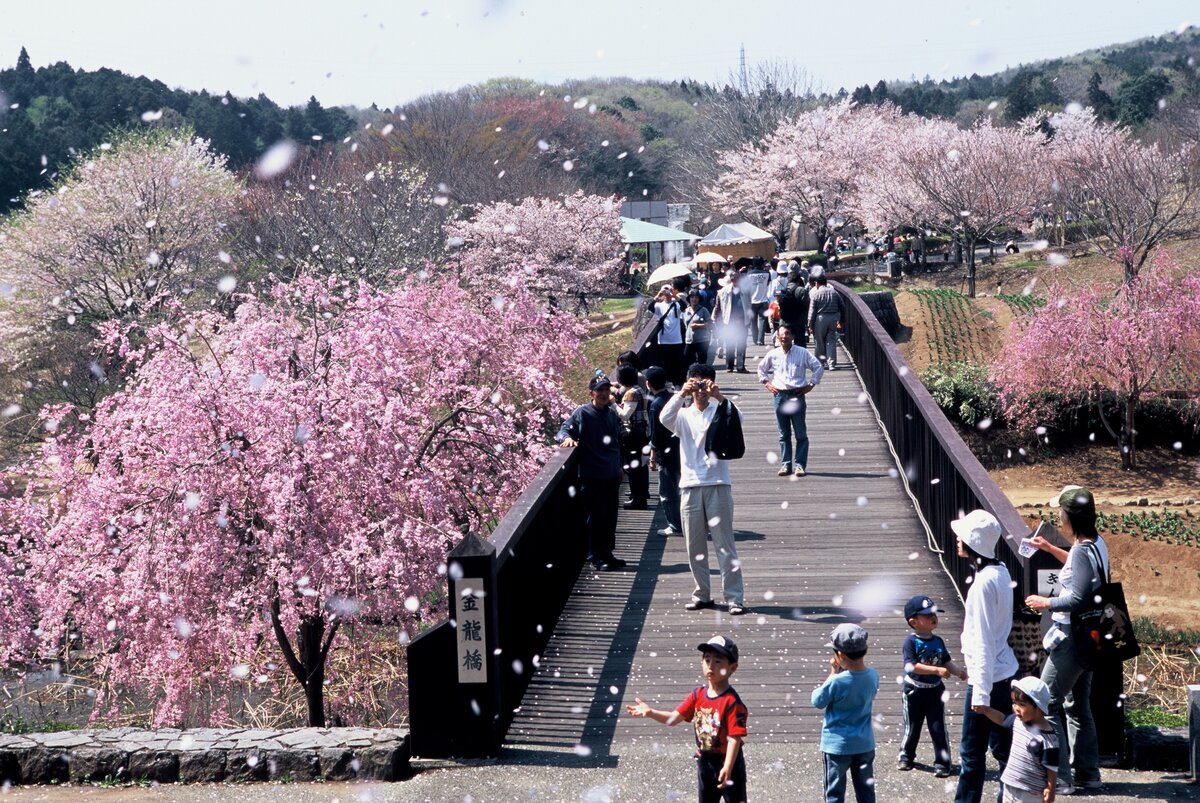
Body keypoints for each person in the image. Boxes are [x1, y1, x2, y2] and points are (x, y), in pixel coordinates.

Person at [1024, 485, 1108, 794]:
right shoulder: (1096, 544)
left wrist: (1045, 603)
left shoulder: (1083, 549)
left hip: (1071, 639)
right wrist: (1049, 549)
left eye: (1061, 512)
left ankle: (1060, 779)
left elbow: (1078, 596)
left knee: (1045, 704)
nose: (1059, 517)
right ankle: (1087, 773)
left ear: (1069, 516)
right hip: (1091, 637)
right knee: (1077, 706)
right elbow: (1080, 567)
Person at [660, 363, 745, 615]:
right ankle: (702, 593)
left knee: (724, 544)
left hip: (718, 483)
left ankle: (734, 597)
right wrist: (681, 394)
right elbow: (664, 418)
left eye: (704, 384)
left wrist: (719, 396)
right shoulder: (683, 415)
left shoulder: (721, 411)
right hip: (689, 484)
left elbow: (739, 419)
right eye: (696, 383)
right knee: (694, 546)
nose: (700, 389)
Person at [626, 635, 748, 803]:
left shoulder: (732, 702)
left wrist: (728, 766)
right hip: (705, 760)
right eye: (707, 660)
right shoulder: (697, 695)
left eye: (718, 661)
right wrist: (651, 712)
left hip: (729, 761)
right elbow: (674, 718)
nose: (710, 665)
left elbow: (734, 738)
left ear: (732, 668)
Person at [951, 509, 1019, 803]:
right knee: (1004, 749)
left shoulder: (981, 585)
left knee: (972, 754)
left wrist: (979, 693)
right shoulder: (1000, 571)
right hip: (1004, 672)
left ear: (972, 543)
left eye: (961, 537)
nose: (957, 540)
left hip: (986, 678)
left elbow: (981, 640)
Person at [555, 374, 628, 572]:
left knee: (610, 515)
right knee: (596, 517)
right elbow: (563, 430)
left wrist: (619, 466)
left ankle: (607, 553)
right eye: (600, 391)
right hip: (592, 474)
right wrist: (566, 439)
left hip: (611, 472)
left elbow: (615, 442)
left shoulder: (611, 413)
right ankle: (595, 556)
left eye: (606, 390)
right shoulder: (583, 413)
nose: (604, 394)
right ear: (591, 393)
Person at [897, 595, 967, 777]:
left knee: (938, 728)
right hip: (915, 690)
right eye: (927, 616)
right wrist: (937, 670)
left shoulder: (938, 641)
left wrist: (957, 671)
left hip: (935, 691)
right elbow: (911, 666)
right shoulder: (911, 642)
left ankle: (943, 762)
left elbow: (946, 661)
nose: (933, 618)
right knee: (912, 726)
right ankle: (906, 755)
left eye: (934, 614)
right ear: (913, 622)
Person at [812, 623, 879, 803]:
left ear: (840, 655)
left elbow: (817, 700)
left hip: (837, 746)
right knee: (866, 791)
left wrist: (833, 672)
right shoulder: (873, 675)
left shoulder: (837, 682)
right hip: (864, 743)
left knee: (834, 792)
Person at [975, 678, 1059, 803]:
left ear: (1039, 707)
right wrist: (986, 710)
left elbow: (1052, 767)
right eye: (1014, 703)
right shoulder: (1018, 722)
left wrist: (1050, 788)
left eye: (1022, 704)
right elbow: (1002, 719)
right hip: (1010, 784)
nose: (1016, 708)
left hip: (1031, 792)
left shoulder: (1048, 739)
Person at [756, 323, 823, 477]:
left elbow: (818, 367)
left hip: (797, 395)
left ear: (793, 336)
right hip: (780, 395)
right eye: (781, 334)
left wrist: (810, 385)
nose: (784, 337)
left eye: (787, 334)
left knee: (800, 433)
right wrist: (767, 383)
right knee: (783, 434)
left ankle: (800, 465)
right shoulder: (773, 354)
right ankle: (786, 464)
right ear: (777, 337)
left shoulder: (802, 352)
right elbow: (761, 369)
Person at [646, 367, 682, 537]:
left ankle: (675, 525)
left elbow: (655, 435)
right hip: (680, 448)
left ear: (648, 384)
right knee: (682, 488)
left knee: (668, 492)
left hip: (666, 454)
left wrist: (652, 457)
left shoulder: (655, 405)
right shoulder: (674, 398)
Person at [614, 365, 650, 511]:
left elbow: (625, 415)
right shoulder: (639, 390)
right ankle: (640, 495)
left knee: (633, 468)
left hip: (633, 435)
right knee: (639, 466)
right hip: (640, 433)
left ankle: (638, 499)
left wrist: (612, 404)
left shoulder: (631, 393)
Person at [713, 271, 751, 373]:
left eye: (738, 278)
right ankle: (729, 366)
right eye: (734, 278)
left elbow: (749, 304)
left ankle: (740, 366)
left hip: (743, 321)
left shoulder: (746, 290)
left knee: (741, 344)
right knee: (730, 343)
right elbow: (718, 306)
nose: (736, 280)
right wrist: (716, 317)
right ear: (731, 279)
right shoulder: (723, 291)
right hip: (729, 321)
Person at [807, 268, 844, 370]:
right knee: (831, 341)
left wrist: (810, 324)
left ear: (817, 283)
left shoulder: (816, 293)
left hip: (820, 318)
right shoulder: (834, 292)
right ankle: (831, 364)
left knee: (819, 341)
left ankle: (821, 362)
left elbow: (812, 311)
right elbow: (842, 306)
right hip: (833, 318)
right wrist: (841, 320)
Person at [654, 278, 688, 386]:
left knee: (677, 363)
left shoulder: (676, 305)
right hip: (663, 340)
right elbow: (650, 307)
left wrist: (674, 295)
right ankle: (668, 383)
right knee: (665, 364)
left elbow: (684, 306)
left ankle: (677, 383)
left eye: (668, 290)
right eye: (665, 291)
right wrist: (658, 295)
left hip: (676, 339)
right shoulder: (659, 305)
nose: (667, 293)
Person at [776, 264, 811, 348]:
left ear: (788, 279)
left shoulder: (783, 291)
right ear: (799, 279)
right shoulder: (801, 290)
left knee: (785, 345)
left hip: (785, 321)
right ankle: (800, 360)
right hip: (799, 321)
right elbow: (806, 305)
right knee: (800, 344)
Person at [746, 256, 773, 346]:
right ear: (762, 263)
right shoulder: (767, 273)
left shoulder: (749, 274)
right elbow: (768, 283)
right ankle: (760, 340)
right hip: (763, 300)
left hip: (752, 301)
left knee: (753, 321)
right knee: (762, 320)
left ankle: (755, 339)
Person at [683, 289, 713, 367]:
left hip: (702, 340)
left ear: (699, 299)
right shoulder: (686, 311)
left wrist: (698, 325)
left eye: (696, 297)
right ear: (689, 299)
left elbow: (710, 324)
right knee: (686, 361)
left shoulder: (703, 310)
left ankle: (702, 378)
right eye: (692, 297)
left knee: (702, 362)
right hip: (689, 341)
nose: (694, 299)